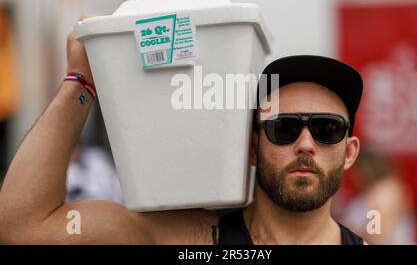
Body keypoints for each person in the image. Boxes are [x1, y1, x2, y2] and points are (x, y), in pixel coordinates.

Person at [0, 16, 364, 245]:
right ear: (252, 147)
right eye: (283, 128)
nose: (305, 143)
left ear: (349, 151)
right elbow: (24, 228)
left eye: (326, 129)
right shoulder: (192, 240)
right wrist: (81, 80)